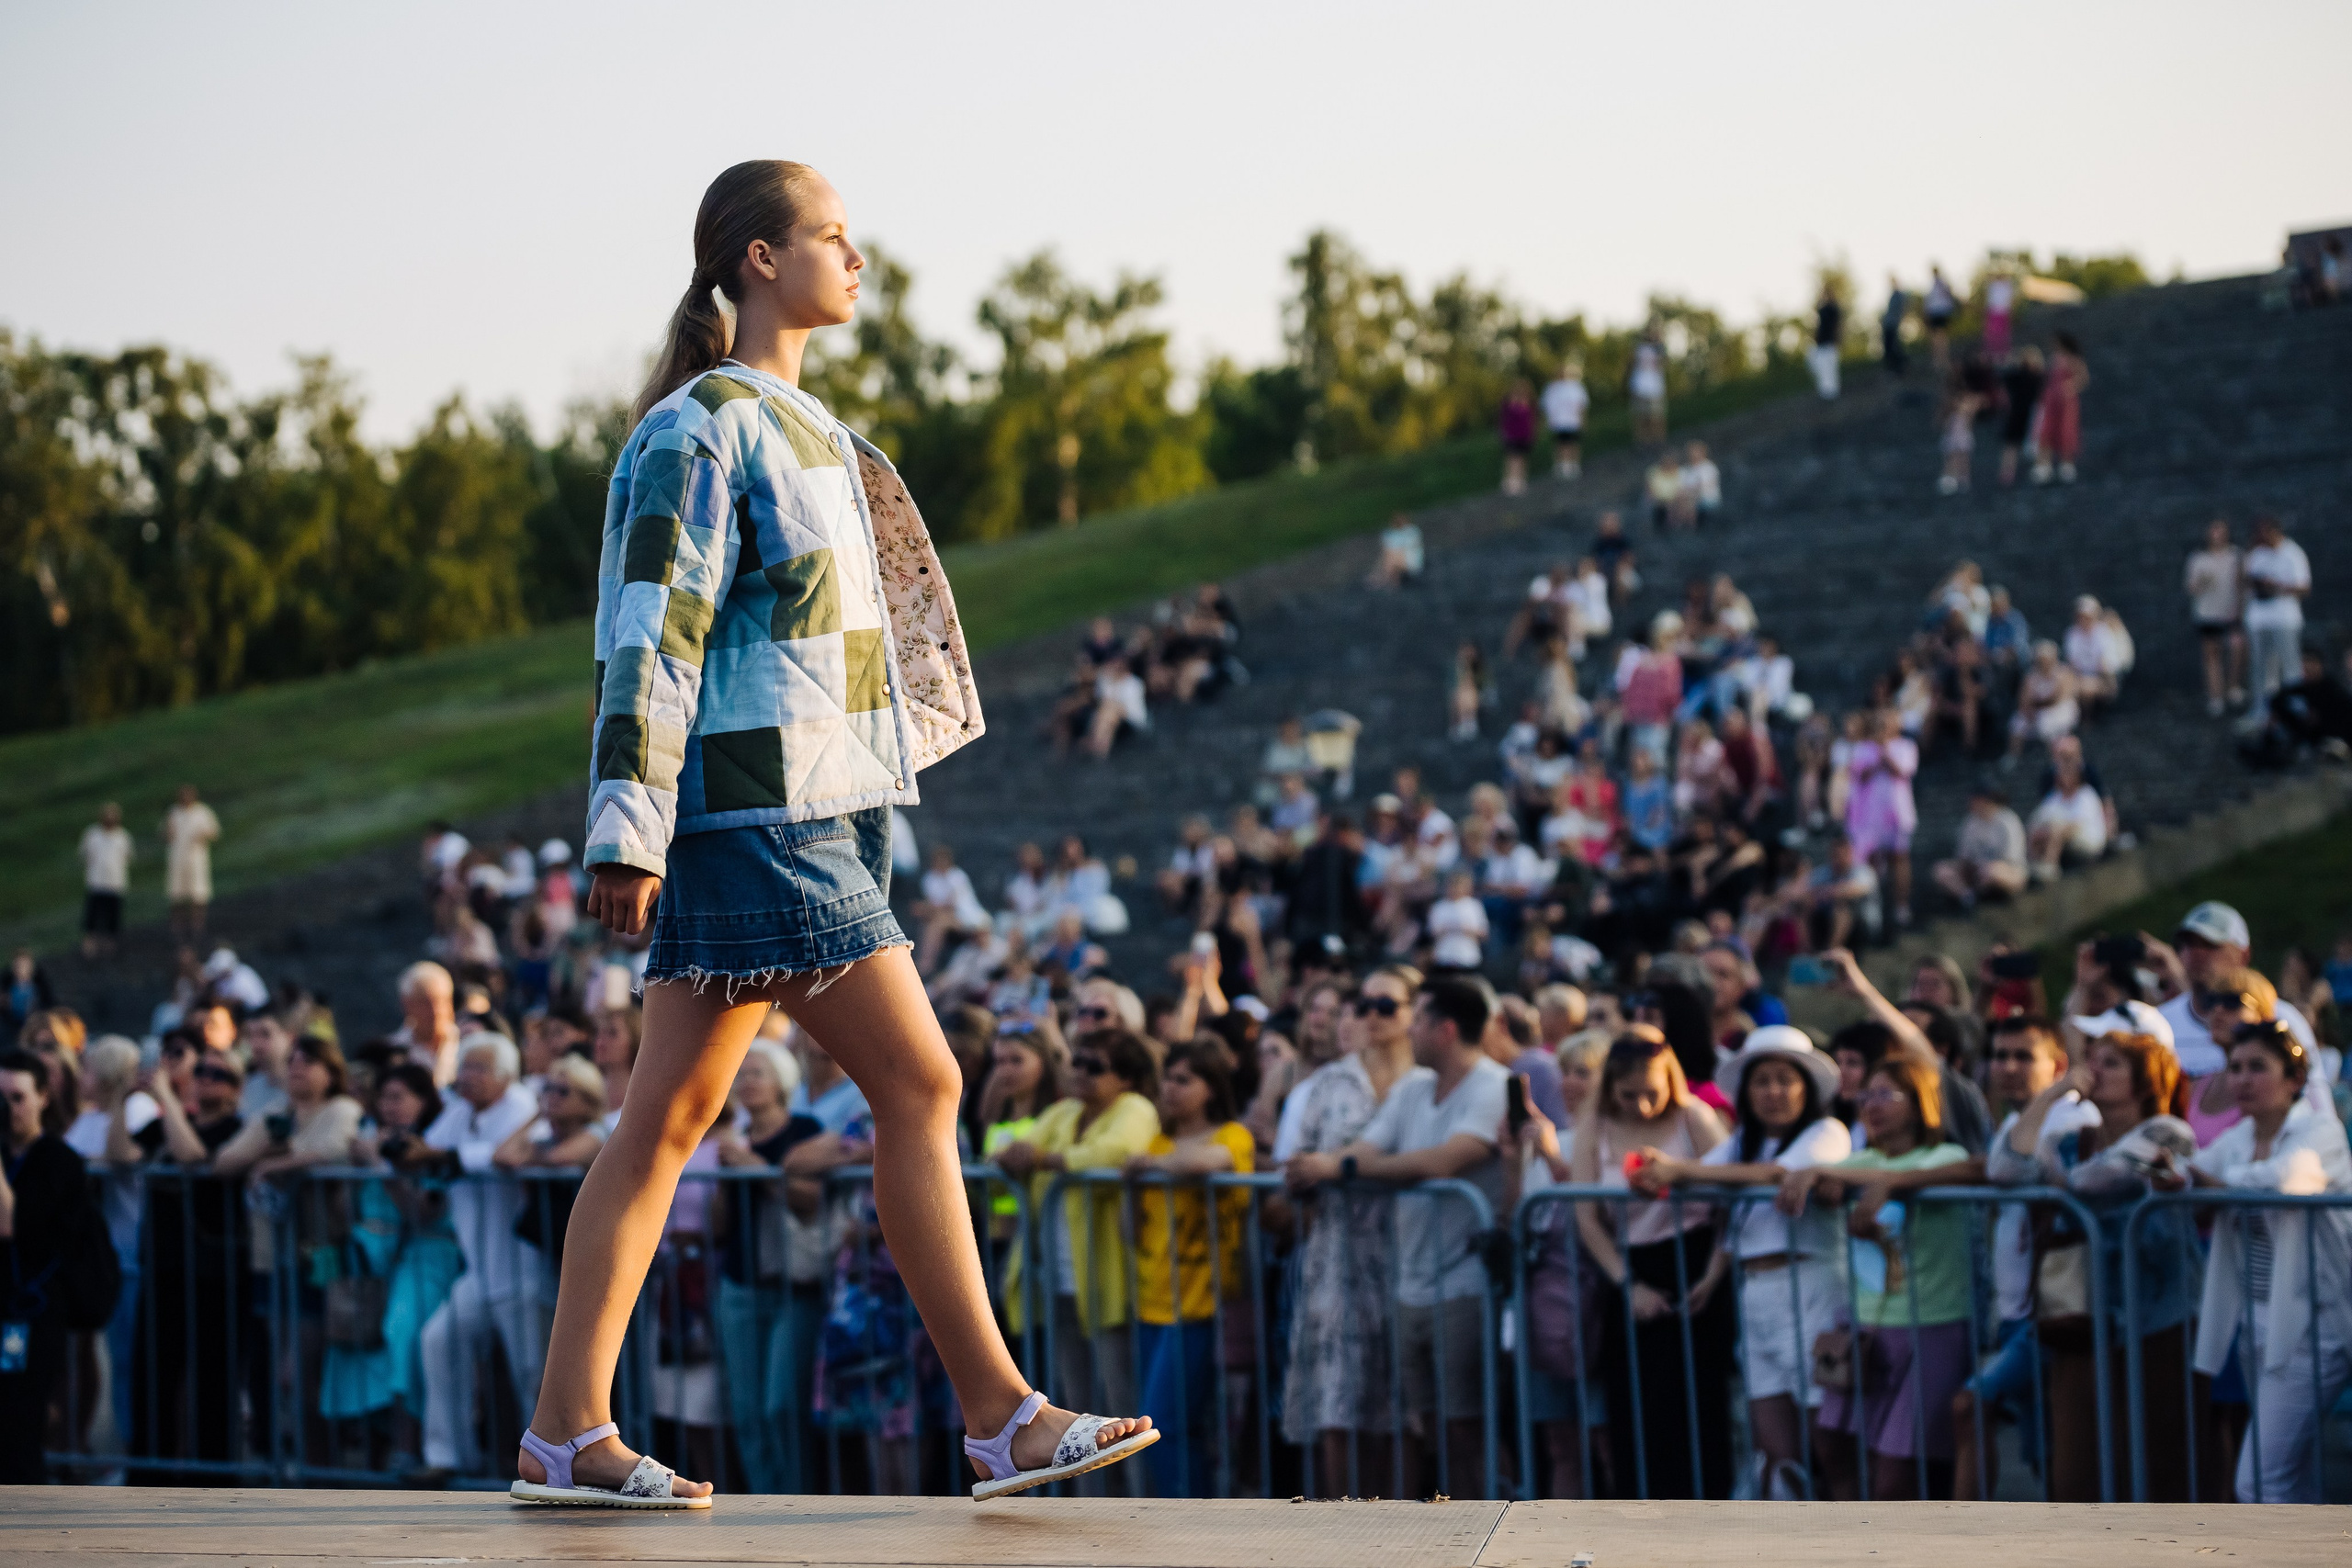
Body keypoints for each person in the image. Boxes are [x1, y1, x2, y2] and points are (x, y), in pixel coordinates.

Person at [532, 162, 1151, 1509]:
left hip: (828, 811)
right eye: (832, 237)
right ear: (758, 259)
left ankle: (564, 1432)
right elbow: (651, 629)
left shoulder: (817, 426)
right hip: (758, 818)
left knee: (671, 1117)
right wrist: (626, 823)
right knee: (922, 1086)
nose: (856, 258)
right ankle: (1002, 1415)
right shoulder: (697, 427)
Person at [1289, 976, 1508, 1498]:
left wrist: (1336, 1170)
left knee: (1465, 1425)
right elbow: (1370, 1148)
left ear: (1446, 1029)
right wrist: (1340, 1162)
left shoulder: (1494, 1086)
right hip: (1409, 1282)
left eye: (1419, 1017)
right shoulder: (1412, 1089)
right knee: (1428, 1423)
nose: (1408, 1028)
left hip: (1462, 1281)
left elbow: (1446, 1161)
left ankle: (1484, 1528)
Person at [1635, 1028, 1849, 1501]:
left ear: (1806, 1087)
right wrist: (1712, 1277)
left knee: (1830, 1443)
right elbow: (1717, 1195)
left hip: (1811, 1289)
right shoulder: (1741, 1144)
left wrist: (1680, 1169)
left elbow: (1780, 1174)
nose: (1772, 1092)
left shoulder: (1826, 1132)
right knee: (1775, 1449)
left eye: (1783, 1080)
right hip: (1754, 1293)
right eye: (1761, 1082)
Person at [1989, 1030, 2198, 1502]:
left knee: (2155, 1465)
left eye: (2112, 1064)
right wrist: (2052, 1093)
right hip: (2082, 1317)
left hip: (2156, 1319)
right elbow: (2003, 1170)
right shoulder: (2067, 1139)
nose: (2095, 1072)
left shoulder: (2169, 1131)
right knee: (2077, 1471)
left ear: (2145, 1081)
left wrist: (2053, 1183)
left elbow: (2098, 1178)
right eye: (2092, 1061)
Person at [1781, 1054, 1973, 1500]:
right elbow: (1805, 1178)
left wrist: (1890, 1183)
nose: (1872, 1104)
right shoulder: (1859, 1159)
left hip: (1931, 1329)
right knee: (1831, 1448)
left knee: (1895, 1477)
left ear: (1920, 1101)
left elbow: (1978, 1168)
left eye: (1886, 1093)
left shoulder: (1944, 1154)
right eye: (1866, 1094)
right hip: (1865, 1330)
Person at [2188, 1020, 2352, 1504]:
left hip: (2314, 1327)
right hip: (2255, 1319)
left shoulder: (2319, 1131)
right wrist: (2167, 1172)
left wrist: (2214, 1186)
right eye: (2234, 1068)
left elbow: (2289, 1178)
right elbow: (2193, 1170)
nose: (2242, 1079)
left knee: (2261, 1480)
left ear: (2294, 1080)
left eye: (2257, 1067)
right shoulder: (2238, 1138)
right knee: (2290, 1476)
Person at [993, 1028, 1161, 1495]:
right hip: (1057, 1282)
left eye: (1095, 1066)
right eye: (1077, 1063)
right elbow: (1009, 1152)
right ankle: (1090, 1503)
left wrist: (1045, 1158)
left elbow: (1118, 1151)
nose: (1080, 1073)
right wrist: (1023, 1155)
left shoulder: (1136, 1108)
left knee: (1121, 1404)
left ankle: (1139, 1500)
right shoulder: (1066, 1111)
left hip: (1108, 1282)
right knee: (1077, 1411)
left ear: (1125, 1077)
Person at [1571, 1026, 1732, 1498]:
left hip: (1698, 1263)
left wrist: (1713, 1273)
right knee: (1639, 1409)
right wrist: (1629, 1285)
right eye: (1628, 1095)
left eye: (1651, 1094)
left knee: (1699, 1405)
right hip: (1630, 1270)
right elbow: (1587, 1219)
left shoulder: (1694, 1119)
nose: (1641, 1106)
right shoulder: (1594, 1126)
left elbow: (1733, 1201)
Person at [1278, 970, 1416, 1495]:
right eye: (1364, 1004)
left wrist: (1338, 1167)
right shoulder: (1328, 1084)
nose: (1373, 1015)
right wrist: (1307, 1175)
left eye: (1387, 1004)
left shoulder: (1425, 1080)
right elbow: (1293, 1169)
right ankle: (1341, 1519)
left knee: (1404, 1395)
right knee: (1338, 1392)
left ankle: (1412, 1518)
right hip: (1337, 1252)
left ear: (1412, 1011)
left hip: (1412, 1249)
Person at [1950, 1015, 2070, 1501]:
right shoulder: (2017, 1123)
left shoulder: (2068, 1119)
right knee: (2045, 1453)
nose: (2009, 1067)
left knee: (1971, 1403)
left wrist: (2056, 1094)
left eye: (2024, 1056)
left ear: (2057, 1066)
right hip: (2014, 1315)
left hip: (2052, 1315)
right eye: (2000, 1056)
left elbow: (2003, 1169)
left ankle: (1959, 1542)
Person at [1126, 1043, 1254, 1496]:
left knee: (1164, 1424)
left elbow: (1208, 1161)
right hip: (1151, 1303)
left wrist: (1148, 1165)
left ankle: (1186, 1519)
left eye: (1185, 1079)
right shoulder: (1158, 1142)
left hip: (1200, 1306)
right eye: (1168, 1078)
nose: (1171, 1088)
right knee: (1161, 1428)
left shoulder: (1233, 1136)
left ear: (1212, 1087)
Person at [417, 1032, 541, 1478]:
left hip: (522, 1269)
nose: (466, 1077)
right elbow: (427, 1149)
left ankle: (547, 1465)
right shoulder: (460, 1111)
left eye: (478, 1068)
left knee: (533, 1373)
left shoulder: (523, 1107)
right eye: (464, 1066)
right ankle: (447, 1458)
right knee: (439, 1339)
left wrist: (449, 1155)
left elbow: (505, 1156)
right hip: (479, 1271)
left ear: (506, 1076)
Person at [125, 1040, 247, 1476]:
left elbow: (193, 1156)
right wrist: (127, 1093)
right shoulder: (172, 1121)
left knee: (211, 1384)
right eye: (202, 1073)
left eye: (220, 1075)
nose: (207, 1080)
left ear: (236, 1088)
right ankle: (146, 1476)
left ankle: (211, 1483)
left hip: (212, 1275)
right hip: (162, 1269)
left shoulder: (236, 1129)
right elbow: (121, 1152)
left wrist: (166, 1100)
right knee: (152, 1376)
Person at [707, 1037, 822, 1495]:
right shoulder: (732, 1139)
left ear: (782, 1081)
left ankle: (798, 1501)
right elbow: (719, 1226)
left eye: (757, 1073)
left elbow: (809, 1200)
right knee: (748, 1411)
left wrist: (755, 1167)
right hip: (741, 1284)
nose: (746, 1082)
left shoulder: (804, 1130)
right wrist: (724, 1175)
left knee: (781, 1406)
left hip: (795, 1285)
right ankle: (762, 1499)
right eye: (741, 1073)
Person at [0, 1049, 106, 1483]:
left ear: (44, 1097)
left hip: (34, 1311)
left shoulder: (58, 1160)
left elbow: (9, 1224)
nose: (8, 1110)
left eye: (17, 1098)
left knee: (22, 1418)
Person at [1844, 708, 1917, 928]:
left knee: (1900, 858)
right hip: (1870, 816)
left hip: (1898, 812)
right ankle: (1874, 909)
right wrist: (1877, 755)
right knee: (1872, 861)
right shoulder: (1862, 748)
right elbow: (1860, 775)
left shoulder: (1906, 746)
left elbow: (1901, 771)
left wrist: (1885, 750)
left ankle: (1901, 906)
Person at [2241, 515, 2312, 704]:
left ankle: (2296, 707)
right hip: (2259, 618)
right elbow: (2245, 580)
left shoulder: (2293, 553)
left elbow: (2304, 588)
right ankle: (2262, 711)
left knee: (2290, 666)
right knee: (2260, 667)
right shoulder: (2256, 553)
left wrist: (2276, 586)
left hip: (2284, 618)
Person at [2185, 519, 2248, 716]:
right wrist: (2203, 582)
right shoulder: (2198, 559)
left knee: (2237, 649)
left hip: (2231, 613)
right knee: (2212, 655)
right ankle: (2216, 696)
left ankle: (2233, 686)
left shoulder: (2236, 555)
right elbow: (2191, 588)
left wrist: (2241, 607)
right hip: (2207, 614)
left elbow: (2242, 583)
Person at [1931, 782, 2028, 908]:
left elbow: (2010, 860)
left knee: (1991, 871)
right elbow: (1963, 858)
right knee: (1941, 870)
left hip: (2006, 872)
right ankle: (1968, 898)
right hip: (1977, 872)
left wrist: (1985, 866)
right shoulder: (1971, 822)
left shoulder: (2008, 821)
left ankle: (1999, 899)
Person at [2026, 742, 2109, 883]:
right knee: (2037, 830)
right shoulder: (2054, 797)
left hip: (2089, 843)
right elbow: (2035, 820)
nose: (2063, 776)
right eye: (2062, 772)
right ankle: (2031, 868)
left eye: (2067, 773)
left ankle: (2049, 867)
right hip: (2066, 843)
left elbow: (2076, 826)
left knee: (2057, 829)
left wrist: (2050, 829)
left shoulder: (2086, 795)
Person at [162, 784, 220, 942]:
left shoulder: (202, 812)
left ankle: (197, 926)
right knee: (176, 894)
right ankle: (177, 927)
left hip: (196, 859)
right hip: (177, 858)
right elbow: (166, 833)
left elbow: (214, 832)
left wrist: (203, 836)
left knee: (198, 894)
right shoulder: (174, 812)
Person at [2032, 331, 2089, 484]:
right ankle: (2044, 467)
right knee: (2047, 430)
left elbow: (2083, 377)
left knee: (2066, 430)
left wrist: (2070, 386)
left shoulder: (2073, 359)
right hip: (2051, 400)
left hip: (2067, 401)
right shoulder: (2054, 358)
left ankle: (2066, 465)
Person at [78, 803, 133, 961]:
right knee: (92, 916)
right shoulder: (92, 834)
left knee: (113, 917)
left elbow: (127, 857)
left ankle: (111, 947)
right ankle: (90, 946)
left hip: (115, 883)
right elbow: (85, 855)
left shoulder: (123, 836)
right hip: (96, 882)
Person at [1996, 346, 2045, 488]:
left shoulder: (2036, 376)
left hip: (2028, 413)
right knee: (2013, 445)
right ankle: (2008, 475)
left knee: (2027, 444)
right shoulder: (2022, 375)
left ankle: (2037, 471)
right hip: (2021, 414)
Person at [1542, 363, 1589, 478]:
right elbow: (1546, 406)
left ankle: (1574, 465)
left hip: (1573, 421)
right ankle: (1561, 465)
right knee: (1560, 444)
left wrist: (1583, 419)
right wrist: (1548, 420)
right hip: (1558, 422)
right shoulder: (1551, 388)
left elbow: (1582, 405)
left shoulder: (1576, 386)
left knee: (1573, 444)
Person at [1498, 378, 1536, 495]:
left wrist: (1532, 432)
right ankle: (1510, 481)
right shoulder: (1507, 403)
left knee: (1522, 458)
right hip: (1511, 435)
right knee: (1512, 458)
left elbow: (1532, 419)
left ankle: (1520, 480)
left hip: (1524, 434)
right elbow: (1503, 419)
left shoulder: (1529, 402)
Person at [1808, 282, 1844, 400]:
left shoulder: (1833, 309)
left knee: (1829, 367)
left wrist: (1838, 339)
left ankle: (1831, 392)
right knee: (1819, 365)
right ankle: (1826, 391)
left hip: (1829, 341)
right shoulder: (1823, 309)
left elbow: (1837, 325)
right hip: (1821, 341)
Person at [1880, 276, 1909, 377]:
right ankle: (1893, 367)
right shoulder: (1893, 295)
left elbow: (1901, 309)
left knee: (1893, 346)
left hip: (1893, 323)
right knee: (1889, 346)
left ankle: (1899, 367)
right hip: (1888, 323)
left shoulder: (1899, 295)